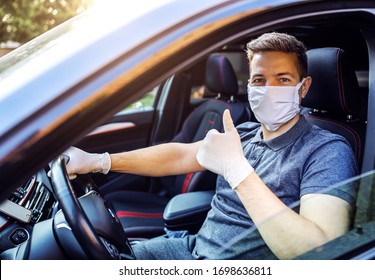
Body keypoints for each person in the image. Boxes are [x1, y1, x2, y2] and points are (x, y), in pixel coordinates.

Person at [60, 32, 358, 259]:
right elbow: (179, 155)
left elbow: (319, 253)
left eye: (282, 79)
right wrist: (97, 161)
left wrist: (237, 170)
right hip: (193, 249)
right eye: (259, 80)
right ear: (249, 87)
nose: (269, 90)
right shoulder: (243, 133)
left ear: (303, 87)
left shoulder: (327, 151)